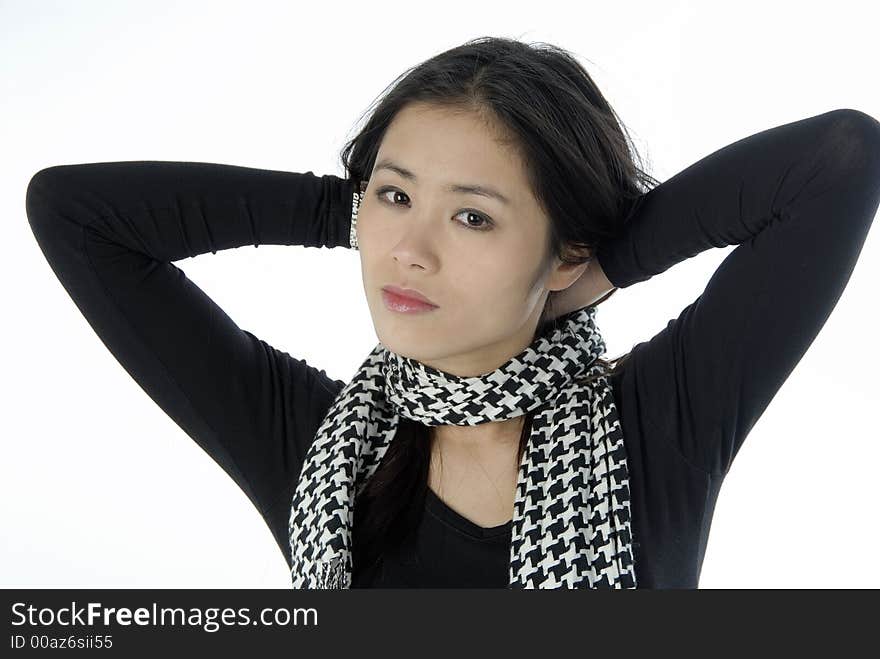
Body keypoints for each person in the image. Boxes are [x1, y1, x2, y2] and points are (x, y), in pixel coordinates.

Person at [25, 36, 880, 588]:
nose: (410, 250)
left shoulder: (661, 423)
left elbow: (839, 161)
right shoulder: (315, 448)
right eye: (395, 196)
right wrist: (339, 212)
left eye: (473, 215)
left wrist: (608, 263)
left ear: (565, 249)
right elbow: (73, 213)